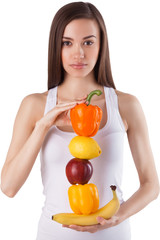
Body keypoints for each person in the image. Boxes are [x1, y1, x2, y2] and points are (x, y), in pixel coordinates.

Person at [1, 2, 159, 240]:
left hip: (114, 235)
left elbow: (151, 184)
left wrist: (118, 216)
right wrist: (43, 126)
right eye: (67, 43)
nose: (79, 53)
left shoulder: (127, 105)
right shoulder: (34, 105)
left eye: (88, 42)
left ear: (101, 45)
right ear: (56, 47)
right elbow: (9, 187)